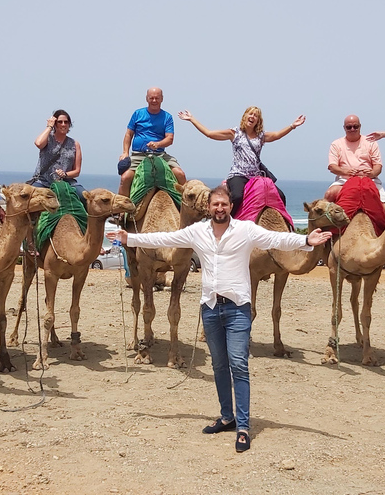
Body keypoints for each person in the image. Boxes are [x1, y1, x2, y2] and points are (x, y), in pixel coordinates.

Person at [109, 185, 332, 452]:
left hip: (238, 307)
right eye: (215, 204)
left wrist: (306, 241)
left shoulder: (246, 231)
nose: (219, 208)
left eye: (224, 204)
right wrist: (129, 239)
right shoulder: (197, 232)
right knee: (218, 365)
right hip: (211, 309)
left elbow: (276, 238)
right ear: (209, 207)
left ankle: (243, 426)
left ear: (230, 207)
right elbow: (163, 238)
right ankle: (227, 416)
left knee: (238, 364)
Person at [178, 107, 305, 216]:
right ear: (245, 116)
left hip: (256, 176)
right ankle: (227, 224)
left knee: (281, 196)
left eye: (256, 115)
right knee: (237, 197)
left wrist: (292, 126)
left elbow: (277, 135)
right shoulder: (234, 133)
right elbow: (209, 133)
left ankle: (285, 227)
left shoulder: (261, 136)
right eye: (250, 113)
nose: (252, 116)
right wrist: (192, 119)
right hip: (238, 174)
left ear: (258, 120)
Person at [119, 88, 185, 198]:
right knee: (125, 178)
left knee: (180, 174)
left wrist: (158, 144)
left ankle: (187, 208)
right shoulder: (138, 114)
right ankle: (121, 211)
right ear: (147, 99)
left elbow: (169, 139)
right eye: (151, 98)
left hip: (160, 155)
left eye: (157, 98)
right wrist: (125, 152)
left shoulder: (167, 117)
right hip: (139, 155)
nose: (154, 100)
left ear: (162, 99)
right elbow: (128, 134)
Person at [325, 114, 385, 204]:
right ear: (344, 128)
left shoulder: (371, 142)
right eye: (349, 127)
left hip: (369, 180)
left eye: (355, 126)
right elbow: (332, 166)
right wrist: (346, 172)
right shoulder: (336, 144)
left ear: (360, 126)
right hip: (344, 181)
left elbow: (378, 166)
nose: (352, 129)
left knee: (384, 204)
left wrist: (372, 173)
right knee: (329, 195)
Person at [31, 109, 86, 200]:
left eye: (66, 122)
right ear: (55, 124)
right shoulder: (48, 139)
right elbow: (38, 143)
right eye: (60, 122)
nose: (63, 124)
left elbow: (77, 171)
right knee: (29, 198)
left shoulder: (75, 144)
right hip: (43, 181)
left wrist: (65, 174)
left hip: (66, 182)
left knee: (84, 197)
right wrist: (49, 126)